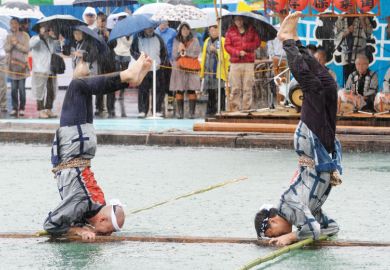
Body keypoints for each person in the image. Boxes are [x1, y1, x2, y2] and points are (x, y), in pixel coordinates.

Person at [254, 12, 342, 246]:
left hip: (311, 143)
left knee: (312, 87)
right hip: (322, 152)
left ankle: (287, 41)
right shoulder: (305, 213)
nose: (280, 234)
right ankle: (296, 42)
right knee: (329, 86)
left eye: (275, 233)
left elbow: (312, 228)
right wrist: (298, 232)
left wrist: (291, 237)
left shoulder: (288, 203)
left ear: (272, 221)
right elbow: (331, 228)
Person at [44, 52, 152, 240]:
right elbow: (50, 225)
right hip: (73, 147)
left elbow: (79, 215)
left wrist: (82, 226)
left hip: (84, 145)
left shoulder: (98, 202)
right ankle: (127, 77)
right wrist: (77, 230)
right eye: (107, 230)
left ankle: (127, 79)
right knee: (78, 86)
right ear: (101, 219)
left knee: (82, 84)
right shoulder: (81, 203)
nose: (106, 233)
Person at [225, 15, 260, 111]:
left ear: (244, 20)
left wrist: (245, 46)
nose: (238, 21)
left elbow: (257, 43)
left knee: (247, 87)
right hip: (235, 63)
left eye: (240, 19)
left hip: (248, 62)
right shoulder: (230, 31)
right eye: (236, 19)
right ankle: (235, 109)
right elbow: (227, 46)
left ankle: (246, 108)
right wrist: (238, 52)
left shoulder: (251, 30)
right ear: (234, 21)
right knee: (235, 87)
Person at [131, 28, 168, 118]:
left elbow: (164, 52)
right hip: (143, 68)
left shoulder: (158, 38)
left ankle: (157, 109)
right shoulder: (138, 38)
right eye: (148, 28)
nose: (150, 29)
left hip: (156, 68)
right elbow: (133, 51)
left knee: (158, 89)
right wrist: (140, 57)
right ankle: (143, 110)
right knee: (143, 89)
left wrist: (161, 63)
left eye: (152, 28)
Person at [169, 22, 201, 119]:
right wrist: (179, 50)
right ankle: (180, 113)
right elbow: (174, 56)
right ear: (180, 31)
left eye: (187, 29)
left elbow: (196, 53)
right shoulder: (176, 41)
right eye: (183, 29)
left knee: (191, 89)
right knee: (180, 89)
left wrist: (186, 51)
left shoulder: (195, 40)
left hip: (191, 67)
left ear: (189, 30)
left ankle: (191, 113)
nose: (185, 31)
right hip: (179, 68)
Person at [30, 24, 61, 119]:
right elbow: (30, 45)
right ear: (39, 29)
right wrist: (40, 36)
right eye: (44, 28)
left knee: (51, 90)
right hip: (40, 70)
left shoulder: (51, 39)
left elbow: (58, 49)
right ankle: (40, 110)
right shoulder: (35, 38)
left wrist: (57, 38)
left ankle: (49, 109)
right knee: (40, 91)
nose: (46, 30)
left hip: (51, 69)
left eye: (48, 28)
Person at [335, 13, 374, 84]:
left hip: (359, 56)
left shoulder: (363, 17)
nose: (351, 7)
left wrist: (362, 20)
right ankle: (347, 94)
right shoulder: (342, 18)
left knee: (359, 81)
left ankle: (358, 94)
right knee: (347, 82)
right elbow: (336, 36)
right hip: (346, 56)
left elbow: (368, 34)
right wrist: (347, 31)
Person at [200, 24, 230, 116]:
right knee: (210, 92)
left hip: (218, 70)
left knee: (220, 91)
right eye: (211, 30)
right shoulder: (207, 41)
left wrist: (216, 51)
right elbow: (204, 55)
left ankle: (221, 109)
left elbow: (226, 56)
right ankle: (210, 110)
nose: (213, 32)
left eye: (215, 30)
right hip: (208, 70)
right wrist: (202, 72)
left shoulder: (223, 40)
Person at [4, 18, 30, 117]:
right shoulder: (9, 36)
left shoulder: (25, 35)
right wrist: (11, 44)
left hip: (22, 66)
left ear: (19, 25)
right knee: (14, 89)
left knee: (22, 89)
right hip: (12, 66)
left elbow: (27, 49)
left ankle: (22, 108)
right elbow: (6, 49)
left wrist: (17, 44)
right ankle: (15, 108)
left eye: (15, 23)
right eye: (11, 23)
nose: (13, 25)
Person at [155, 21, 177, 112]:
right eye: (161, 22)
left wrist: (173, 58)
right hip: (158, 61)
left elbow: (175, 45)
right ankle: (159, 103)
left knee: (169, 83)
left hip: (169, 61)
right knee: (159, 84)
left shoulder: (173, 32)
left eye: (165, 22)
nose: (163, 24)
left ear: (167, 23)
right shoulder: (155, 32)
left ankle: (171, 102)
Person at [113, 14, 131, 117]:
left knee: (125, 76)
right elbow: (114, 43)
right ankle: (116, 91)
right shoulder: (116, 30)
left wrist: (122, 35)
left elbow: (128, 43)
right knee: (116, 74)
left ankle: (122, 93)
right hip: (117, 54)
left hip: (126, 55)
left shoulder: (129, 32)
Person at [0, 26, 7, 114]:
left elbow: (7, 45)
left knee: (2, 83)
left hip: (2, 59)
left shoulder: (3, 31)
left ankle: (3, 105)